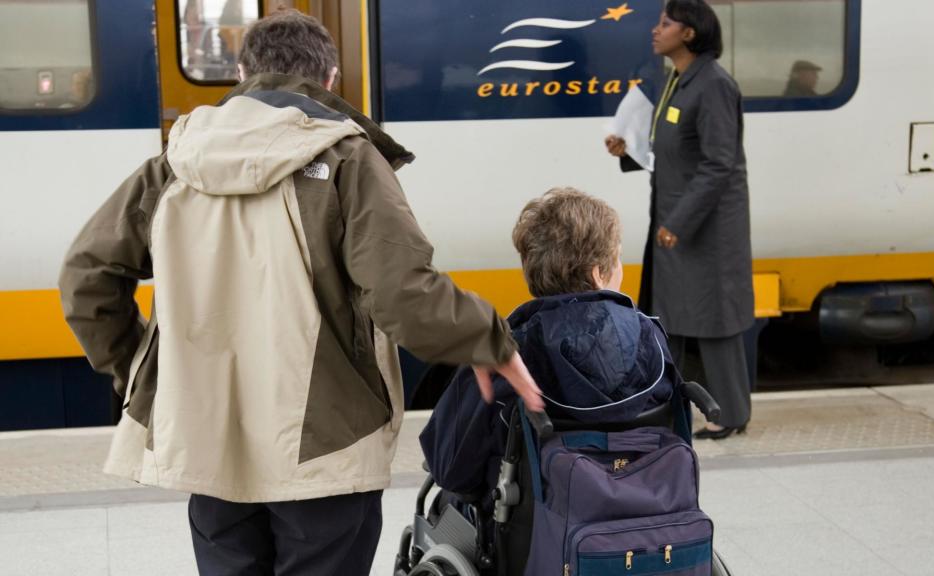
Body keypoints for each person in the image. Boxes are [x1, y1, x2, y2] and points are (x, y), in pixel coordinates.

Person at [58, 10, 541, 576]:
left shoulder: (173, 165)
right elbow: (402, 293)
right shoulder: (347, 159)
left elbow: (86, 277)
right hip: (326, 451)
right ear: (330, 78)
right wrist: (488, 341)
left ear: (241, 72)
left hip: (211, 446)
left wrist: (141, 374)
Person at [421, 188, 675, 497]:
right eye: (618, 258)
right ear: (598, 274)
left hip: (534, 526)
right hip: (647, 502)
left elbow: (449, 467)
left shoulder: (508, 353)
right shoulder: (652, 339)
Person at [604, 0, 753, 439]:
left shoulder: (714, 86)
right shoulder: (679, 81)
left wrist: (681, 220)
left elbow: (719, 163)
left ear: (689, 33)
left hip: (706, 227)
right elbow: (670, 151)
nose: (655, 30)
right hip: (678, 221)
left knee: (714, 319)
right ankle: (688, 407)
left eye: (665, 23)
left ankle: (730, 413)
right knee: (678, 317)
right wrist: (628, 153)